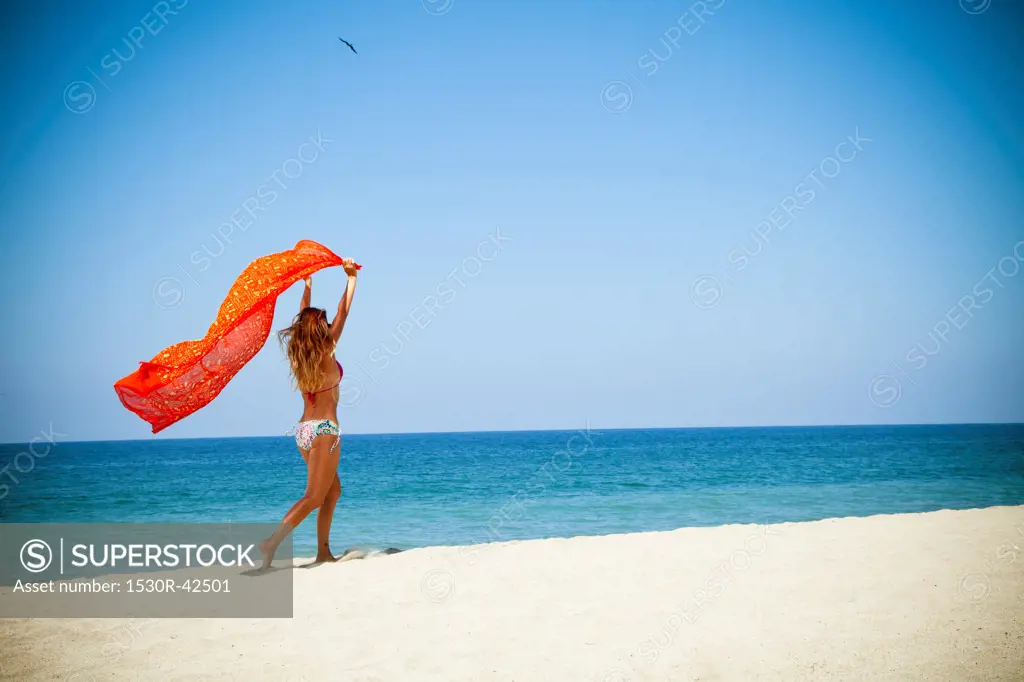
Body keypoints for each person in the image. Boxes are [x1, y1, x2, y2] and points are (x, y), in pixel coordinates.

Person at [258, 257, 359, 568]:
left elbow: (304, 317)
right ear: (320, 330)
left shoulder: (299, 355)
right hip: (325, 431)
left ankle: (323, 552)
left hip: (303, 432)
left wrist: (308, 285)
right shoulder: (327, 348)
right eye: (324, 323)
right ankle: (271, 542)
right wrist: (352, 279)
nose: (330, 325)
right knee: (314, 497)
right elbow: (344, 312)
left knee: (332, 492)